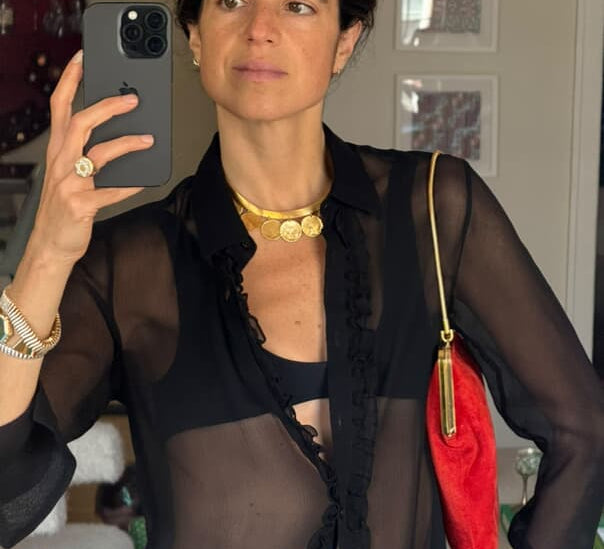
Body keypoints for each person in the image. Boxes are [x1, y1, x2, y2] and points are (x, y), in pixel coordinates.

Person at [0, 0, 602, 547]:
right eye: (231, 1)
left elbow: (583, 430)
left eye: (297, 5)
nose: (260, 29)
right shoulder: (126, 264)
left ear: (345, 41)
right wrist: (46, 255)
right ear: (195, 35)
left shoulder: (432, 207)